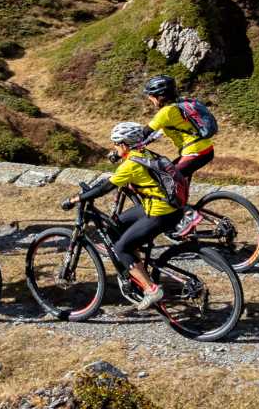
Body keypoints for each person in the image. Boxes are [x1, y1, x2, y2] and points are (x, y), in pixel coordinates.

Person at [63, 122, 179, 310]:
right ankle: (136, 265)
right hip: (165, 205)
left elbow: (105, 188)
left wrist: (76, 198)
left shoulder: (131, 164)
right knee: (114, 226)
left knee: (121, 248)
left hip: (159, 212)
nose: (115, 148)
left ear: (125, 144)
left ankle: (151, 289)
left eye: (116, 143)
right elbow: (115, 178)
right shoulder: (144, 154)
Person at [142, 75, 214, 233]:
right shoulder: (179, 104)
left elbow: (144, 132)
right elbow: (160, 132)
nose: (150, 101)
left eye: (151, 97)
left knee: (164, 181)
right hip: (204, 149)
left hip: (195, 153)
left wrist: (124, 146)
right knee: (173, 178)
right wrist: (146, 142)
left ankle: (189, 215)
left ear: (158, 96)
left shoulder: (165, 112)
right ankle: (181, 218)